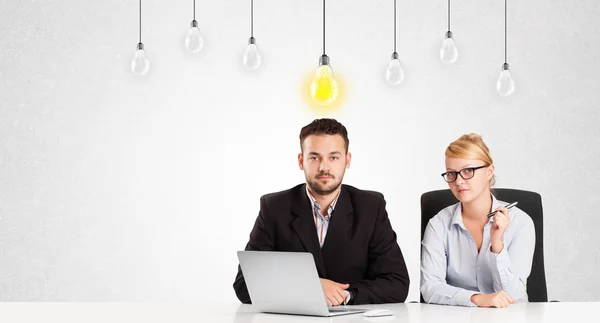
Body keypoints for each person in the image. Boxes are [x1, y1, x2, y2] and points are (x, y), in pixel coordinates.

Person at [233, 118, 410, 305]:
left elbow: (397, 283)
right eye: (314, 157)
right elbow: (244, 285)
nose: (324, 167)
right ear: (301, 161)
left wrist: (345, 295)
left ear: (347, 160)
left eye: (333, 157)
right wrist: (310, 288)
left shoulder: (371, 207)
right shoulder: (274, 207)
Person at [420, 133, 535, 308]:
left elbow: (513, 297)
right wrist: (475, 298)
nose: (458, 181)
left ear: (489, 172)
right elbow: (430, 287)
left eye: (468, 171)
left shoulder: (520, 223)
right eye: (451, 174)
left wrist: (497, 245)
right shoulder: (438, 224)